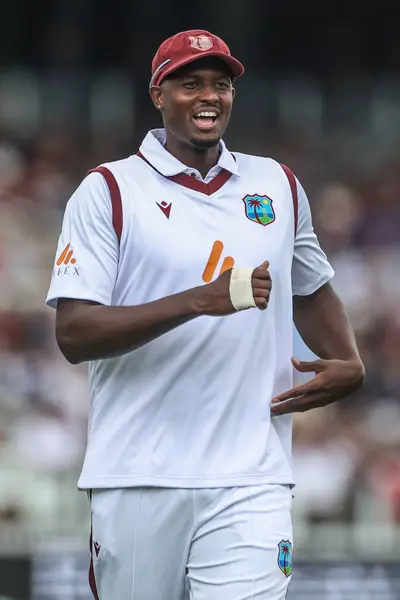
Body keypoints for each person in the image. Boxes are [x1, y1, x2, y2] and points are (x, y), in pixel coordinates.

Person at [46, 29, 365, 600]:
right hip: (137, 473)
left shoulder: (278, 185)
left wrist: (347, 359)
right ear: (158, 95)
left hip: (252, 475)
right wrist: (199, 300)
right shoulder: (110, 190)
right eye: (190, 83)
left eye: (221, 85)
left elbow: (312, 290)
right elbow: (74, 333)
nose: (208, 96)